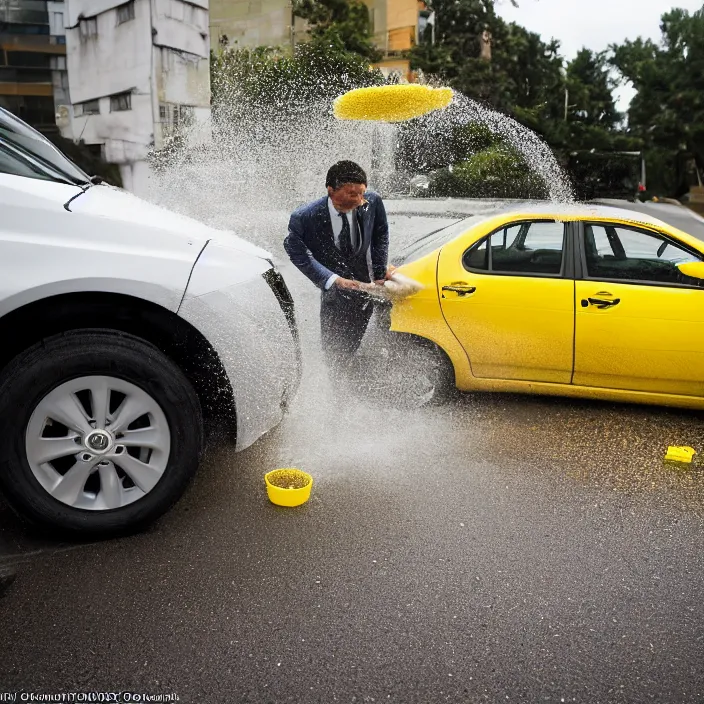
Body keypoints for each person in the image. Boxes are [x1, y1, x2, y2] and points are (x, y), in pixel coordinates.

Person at [284, 161, 394, 372]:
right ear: (331, 190)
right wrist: (332, 279)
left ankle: (353, 371)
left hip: (366, 286)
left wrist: (379, 272)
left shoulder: (372, 202)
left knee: (359, 344)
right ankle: (337, 392)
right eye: (352, 194)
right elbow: (296, 251)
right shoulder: (305, 217)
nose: (360, 200)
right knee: (334, 353)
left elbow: (380, 234)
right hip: (335, 292)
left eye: (362, 193)